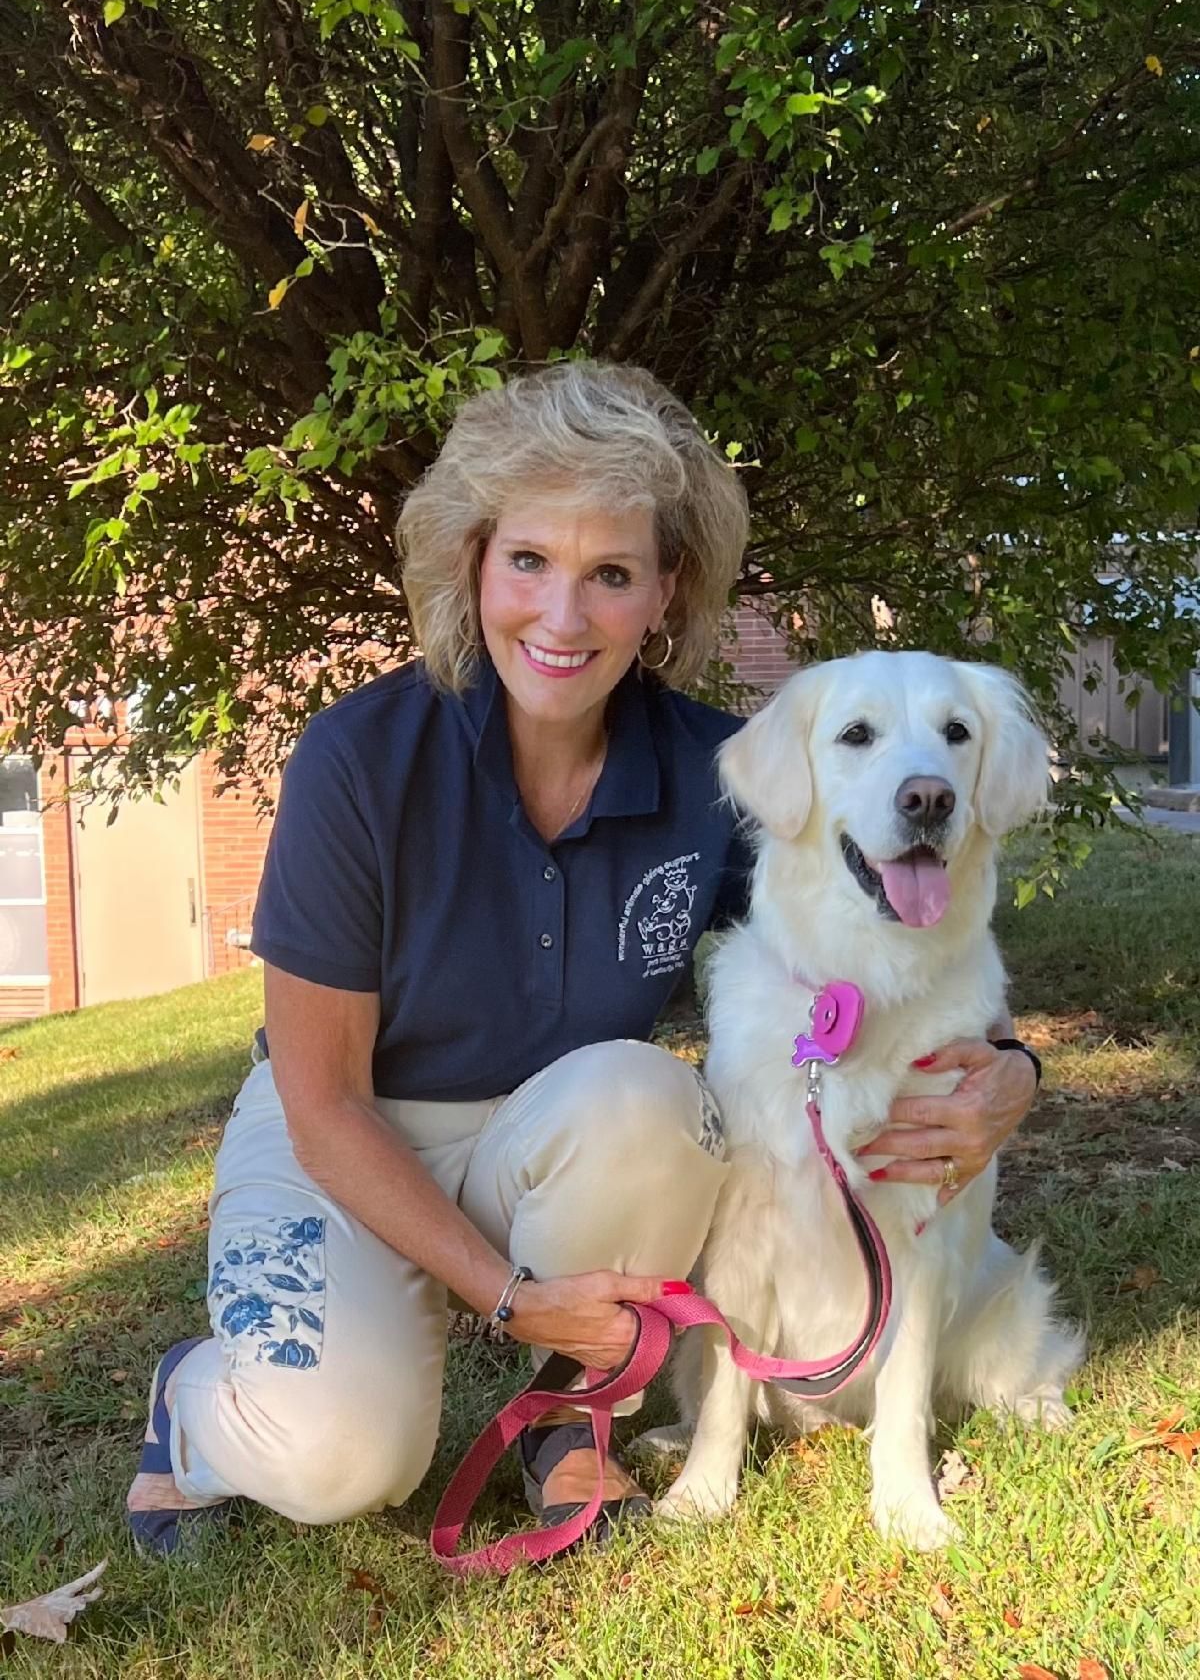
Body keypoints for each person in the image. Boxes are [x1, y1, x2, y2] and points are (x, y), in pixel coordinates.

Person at [125, 362, 1040, 1553]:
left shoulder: (718, 774)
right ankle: (194, 1407)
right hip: (350, 1133)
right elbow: (322, 1103)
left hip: (561, 1135)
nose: (563, 618)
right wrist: (505, 1294)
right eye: (528, 562)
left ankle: (568, 1413)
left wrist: (1010, 1069)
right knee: (343, 1458)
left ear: (665, 591)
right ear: (473, 564)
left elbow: (863, 934)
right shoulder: (358, 761)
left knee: (652, 1103)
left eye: (610, 574)